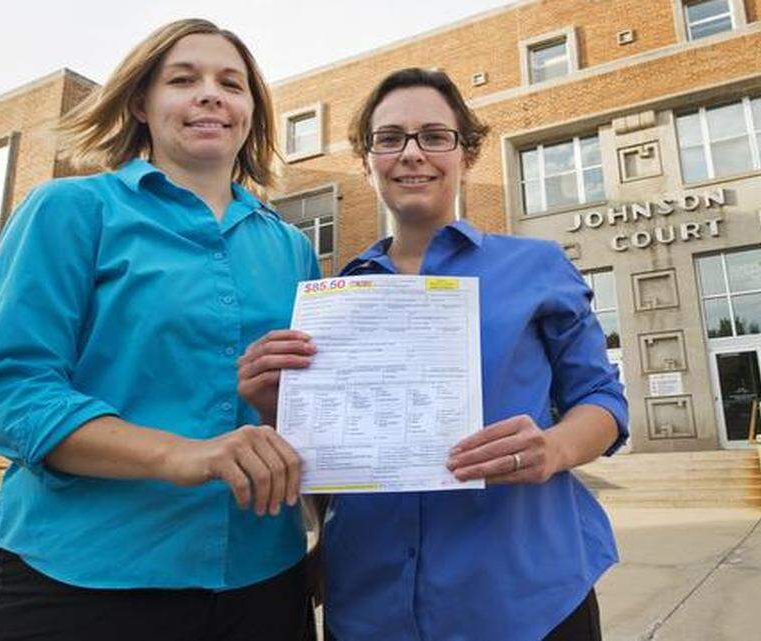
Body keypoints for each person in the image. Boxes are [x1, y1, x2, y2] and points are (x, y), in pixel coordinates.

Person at [238, 67, 629, 641]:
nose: (412, 154)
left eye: (434, 136)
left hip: (525, 595)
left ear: (465, 154)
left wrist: (554, 448)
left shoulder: (536, 266)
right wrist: (276, 407)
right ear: (367, 161)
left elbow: (601, 400)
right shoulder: (336, 295)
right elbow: (329, 454)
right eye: (390, 138)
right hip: (372, 602)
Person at [0, 19, 319, 641]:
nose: (211, 94)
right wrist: (186, 455)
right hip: (84, 579)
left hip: (263, 582)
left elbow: (312, 413)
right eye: (183, 80)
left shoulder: (292, 247)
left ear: (250, 112)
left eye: (231, 84)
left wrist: (281, 410)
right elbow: (12, 394)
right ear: (140, 103)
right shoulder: (70, 209)